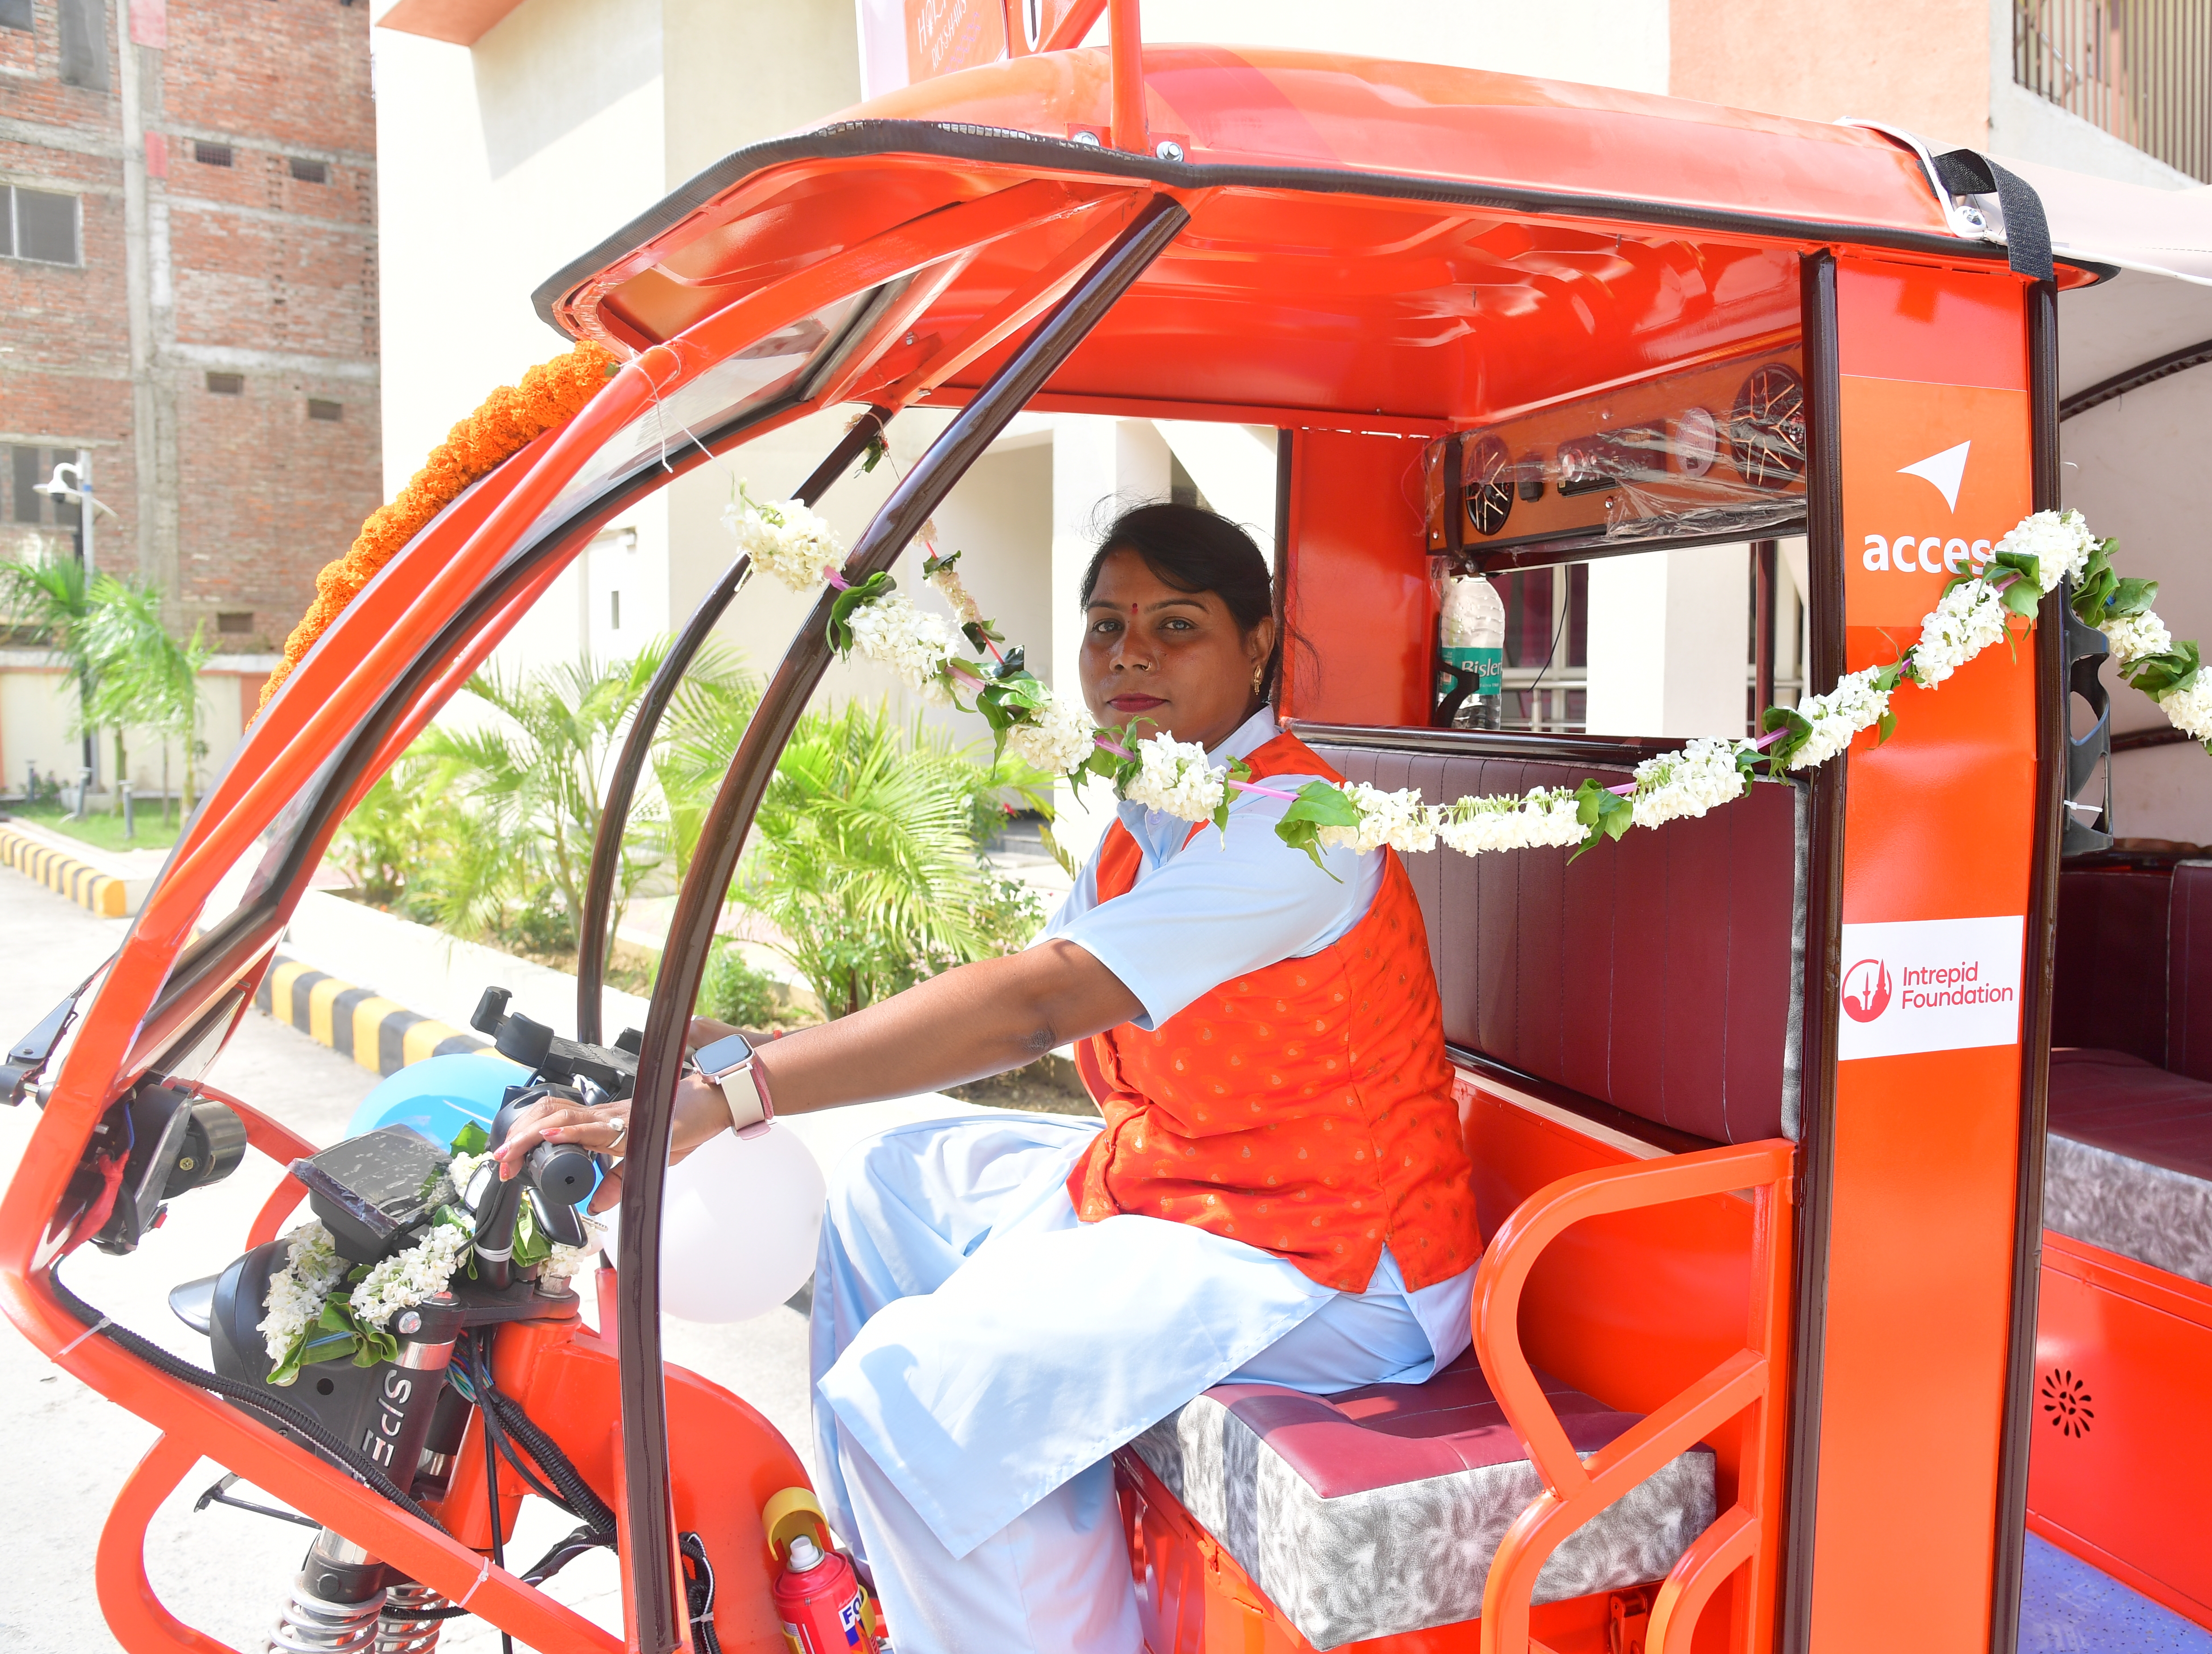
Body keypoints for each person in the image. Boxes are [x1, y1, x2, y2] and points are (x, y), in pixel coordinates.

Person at [495, 502, 1483, 1654]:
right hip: (1192, 1181)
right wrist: (740, 1047)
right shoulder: (1151, 819)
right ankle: (888, 1587)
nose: (1130, 655)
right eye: (1106, 626)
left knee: (910, 1400)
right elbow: (1016, 980)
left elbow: (1038, 1005)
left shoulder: (1292, 831)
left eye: (1177, 626)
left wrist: (739, 1095)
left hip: (1336, 1260)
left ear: (1259, 644)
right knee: (891, 1184)